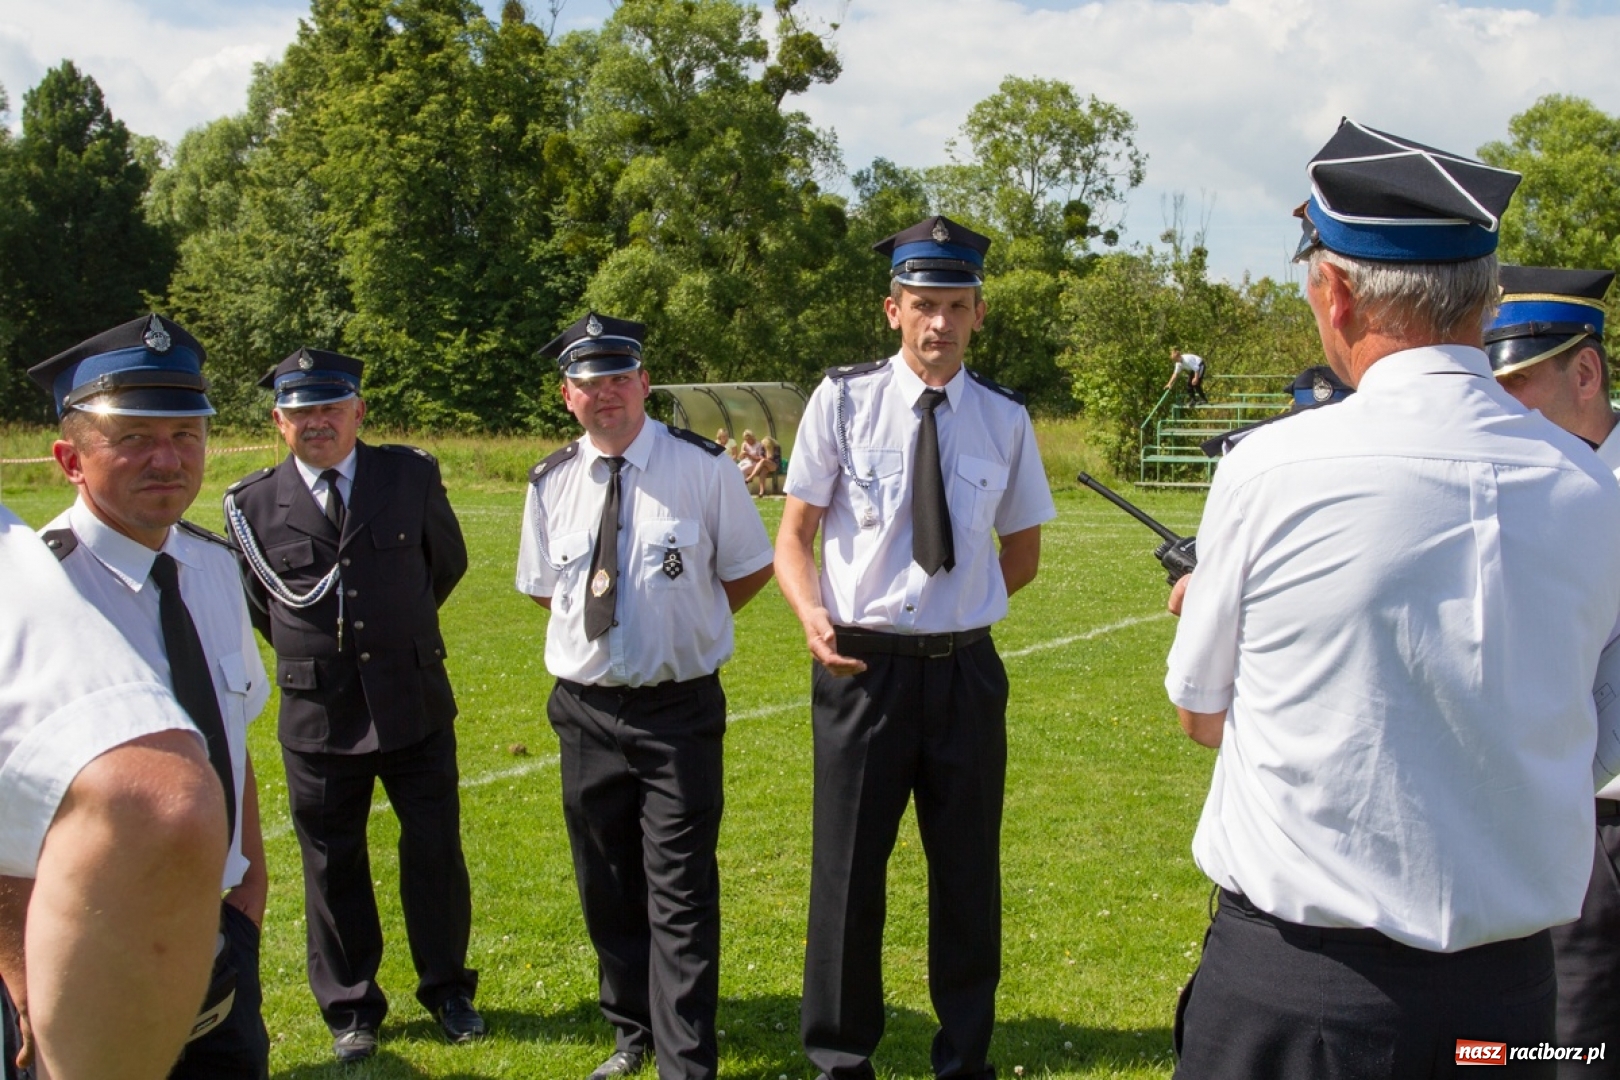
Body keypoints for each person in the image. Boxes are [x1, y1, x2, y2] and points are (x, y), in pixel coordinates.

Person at [1165, 120, 1620, 1079]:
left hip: (1301, 986)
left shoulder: (1273, 467)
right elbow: (1598, 742)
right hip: (1509, 998)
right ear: (1486, 297)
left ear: (1333, 292)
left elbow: (1200, 716)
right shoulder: (1591, 491)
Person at [775, 215, 1056, 1080]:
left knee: (967, 880)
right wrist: (812, 614)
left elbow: (1023, 549)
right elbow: (795, 534)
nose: (940, 323)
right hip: (861, 671)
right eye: (923, 304)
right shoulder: (843, 400)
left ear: (978, 315)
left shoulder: (1005, 418)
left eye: (956, 306)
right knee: (848, 879)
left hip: (965, 674)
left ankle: (963, 1060)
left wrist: (958, 610)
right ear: (892, 310)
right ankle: (839, 1059)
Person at [516, 311, 774, 1080]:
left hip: (678, 712)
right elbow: (546, 593)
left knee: (681, 889)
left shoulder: (703, 470)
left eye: (619, 379)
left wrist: (684, 626)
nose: (607, 396)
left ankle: (686, 1059)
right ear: (567, 395)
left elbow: (749, 569)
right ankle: (632, 1034)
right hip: (586, 711)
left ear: (644, 383)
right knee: (608, 885)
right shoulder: (550, 482)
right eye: (589, 385)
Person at [26, 314, 271, 1079]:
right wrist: (17, 974)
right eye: (133, 437)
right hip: (88, 946)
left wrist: (249, 886)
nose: (167, 459)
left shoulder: (212, 568)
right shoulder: (33, 596)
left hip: (222, 934)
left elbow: (233, 736)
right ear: (71, 457)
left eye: (187, 435)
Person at [224, 348, 481, 1062]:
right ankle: (350, 1008)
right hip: (319, 710)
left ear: (359, 410)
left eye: (331, 406)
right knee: (332, 861)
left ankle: (449, 990)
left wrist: (399, 629)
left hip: (413, 697)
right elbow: (260, 605)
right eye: (301, 410)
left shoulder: (410, 474)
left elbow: (445, 564)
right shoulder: (250, 504)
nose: (318, 422)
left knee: (434, 852)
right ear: (278, 420)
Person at [1486, 265, 1620, 1078]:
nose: (1505, 408)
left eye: (1520, 383)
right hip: (1582, 825)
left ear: (1585, 369)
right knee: (1571, 1051)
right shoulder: (1516, 484)